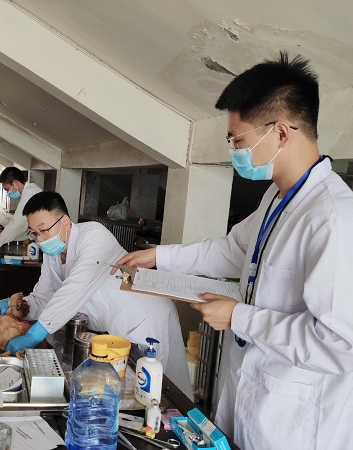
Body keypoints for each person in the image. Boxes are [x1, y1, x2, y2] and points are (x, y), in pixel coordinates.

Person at [114, 53, 353, 450]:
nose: (234, 150)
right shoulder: (277, 198)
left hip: (294, 422)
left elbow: (338, 343)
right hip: (249, 397)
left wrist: (239, 317)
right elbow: (232, 250)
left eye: (238, 140)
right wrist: (160, 256)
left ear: (280, 132)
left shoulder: (333, 218)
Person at [0, 192, 193, 398]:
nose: (40, 239)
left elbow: (74, 290)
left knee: (161, 394)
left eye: (43, 230)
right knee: (132, 391)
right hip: (114, 328)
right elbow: (44, 297)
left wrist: (34, 335)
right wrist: (17, 305)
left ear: (65, 222)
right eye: (34, 233)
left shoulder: (94, 236)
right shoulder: (53, 255)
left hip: (145, 321)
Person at [0, 167, 42, 251]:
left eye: (7, 189)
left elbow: (17, 224)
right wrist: (3, 237)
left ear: (15, 183)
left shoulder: (29, 193)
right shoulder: (31, 190)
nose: (8, 193)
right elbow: (26, 229)